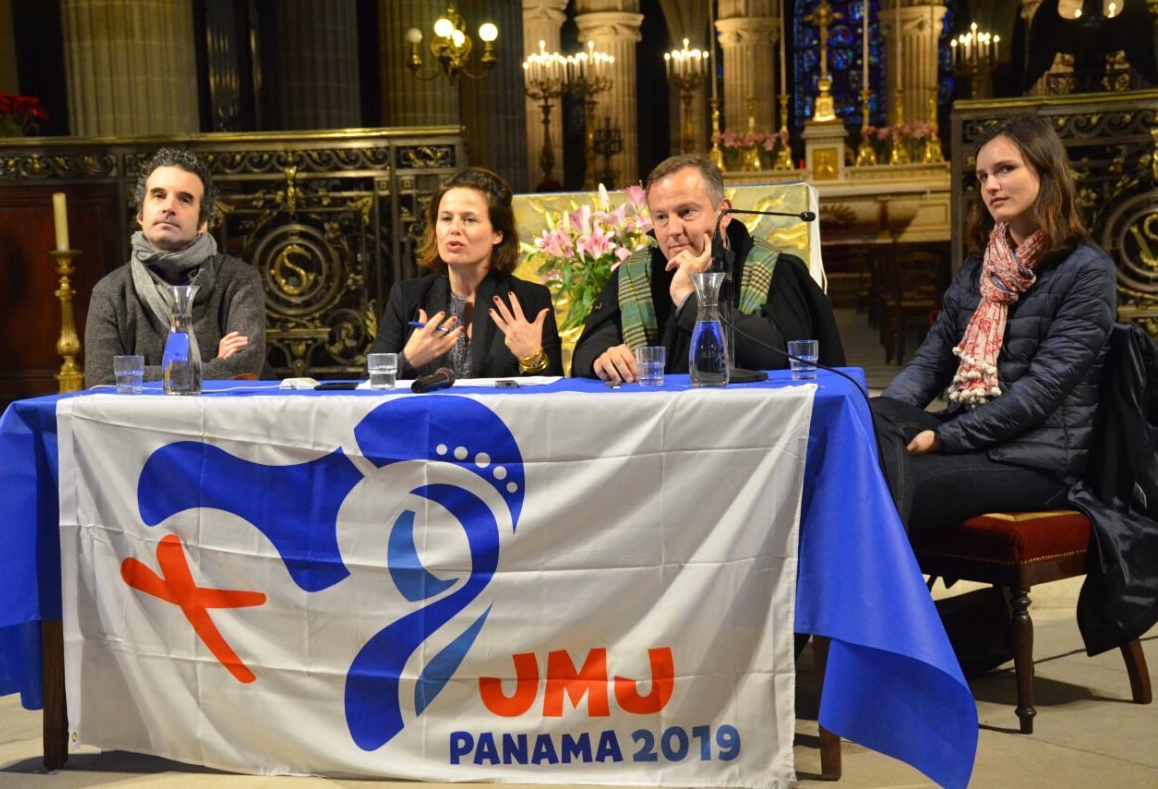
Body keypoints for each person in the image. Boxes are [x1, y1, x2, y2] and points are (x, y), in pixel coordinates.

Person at [871, 115, 1117, 532]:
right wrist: (884, 416)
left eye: (1005, 170)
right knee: (866, 425)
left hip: (1037, 460)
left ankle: (876, 596)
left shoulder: (1087, 270)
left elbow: (1039, 394)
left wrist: (944, 439)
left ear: (1045, 171)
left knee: (879, 492)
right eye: (983, 175)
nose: (990, 186)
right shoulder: (978, 268)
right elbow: (929, 364)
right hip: (972, 435)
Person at [571, 154, 843, 382]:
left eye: (687, 212)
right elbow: (589, 348)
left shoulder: (776, 269)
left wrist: (692, 301)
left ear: (724, 213)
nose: (673, 230)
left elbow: (781, 355)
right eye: (661, 217)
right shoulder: (634, 273)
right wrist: (602, 357)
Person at [84, 147, 266, 386]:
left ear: (203, 222)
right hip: (140, 422)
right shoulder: (110, 292)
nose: (169, 207)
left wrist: (135, 374)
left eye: (184, 199)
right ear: (140, 214)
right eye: (158, 195)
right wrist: (210, 367)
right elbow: (103, 380)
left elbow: (244, 369)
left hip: (219, 421)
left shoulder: (240, 280)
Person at [370, 168, 562, 378]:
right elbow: (367, 387)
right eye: (446, 219)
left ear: (498, 233)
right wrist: (407, 360)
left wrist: (532, 359)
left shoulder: (531, 299)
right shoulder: (407, 297)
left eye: (469, 220)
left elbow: (554, 397)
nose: (454, 229)